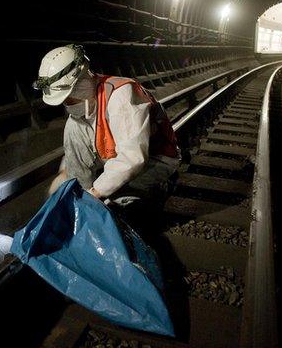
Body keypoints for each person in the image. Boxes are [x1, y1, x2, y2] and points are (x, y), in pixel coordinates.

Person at [34, 44, 180, 228]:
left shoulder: (122, 96)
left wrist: (96, 192)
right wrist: (67, 176)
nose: (67, 104)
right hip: (115, 158)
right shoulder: (88, 103)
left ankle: (161, 186)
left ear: (82, 83)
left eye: (68, 98)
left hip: (156, 160)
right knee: (73, 126)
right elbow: (80, 144)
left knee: (115, 203)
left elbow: (132, 158)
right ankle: (80, 198)